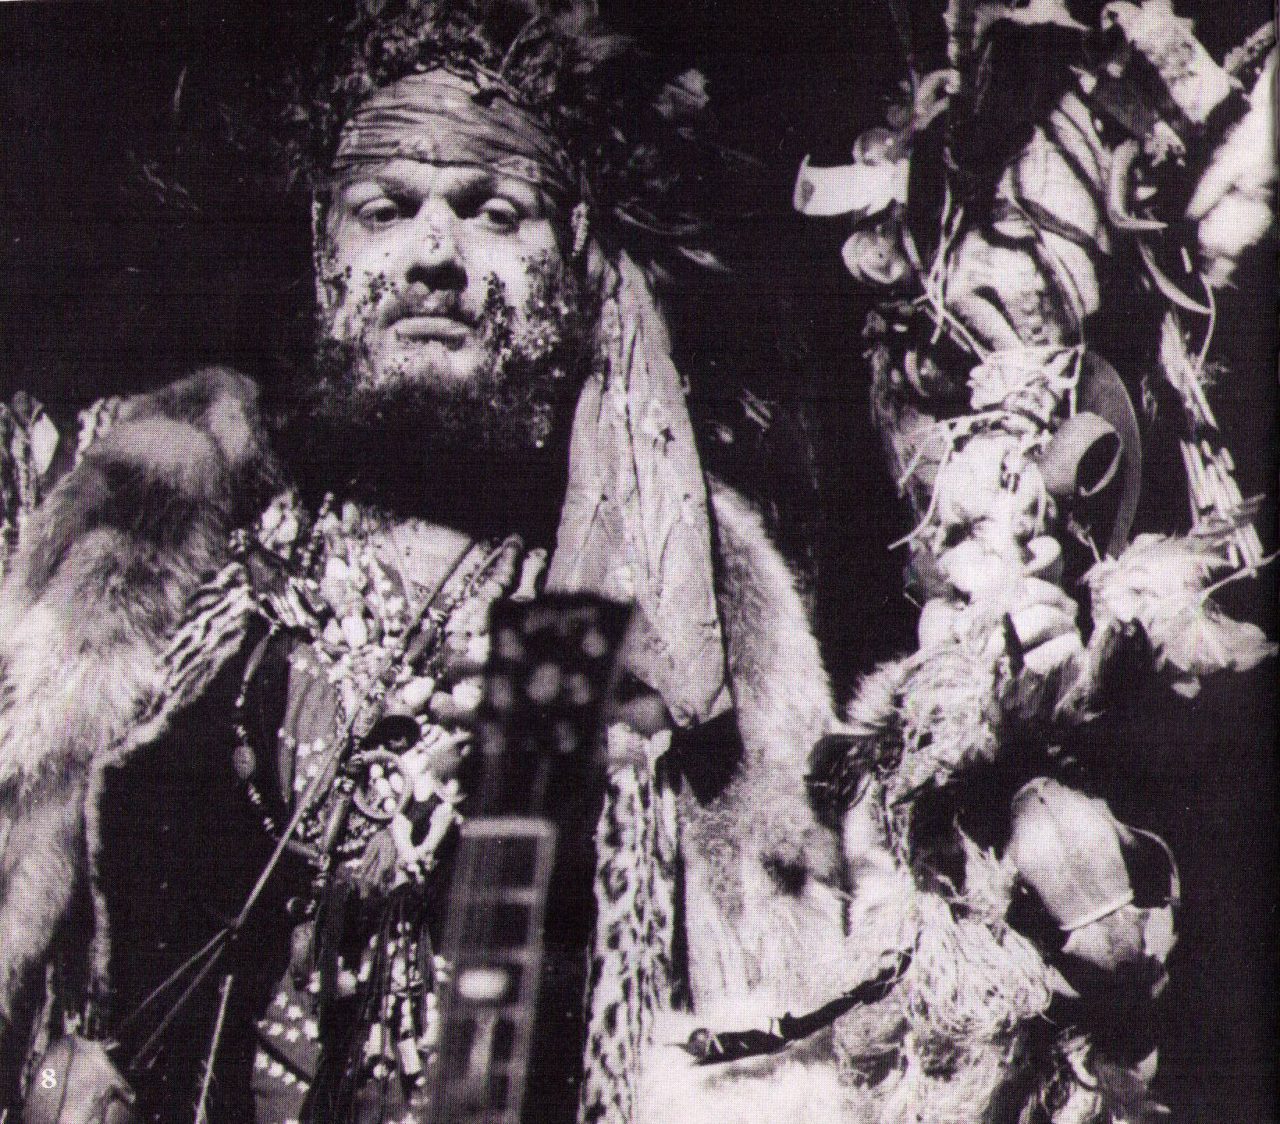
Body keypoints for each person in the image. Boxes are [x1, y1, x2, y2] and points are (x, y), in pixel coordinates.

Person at [0, 3, 851, 1121]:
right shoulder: (166, 538)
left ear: (573, 257)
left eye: (495, 212)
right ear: (324, 252)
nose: (436, 256)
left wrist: (608, 774)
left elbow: (779, 1007)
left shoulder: (686, 602)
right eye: (385, 209)